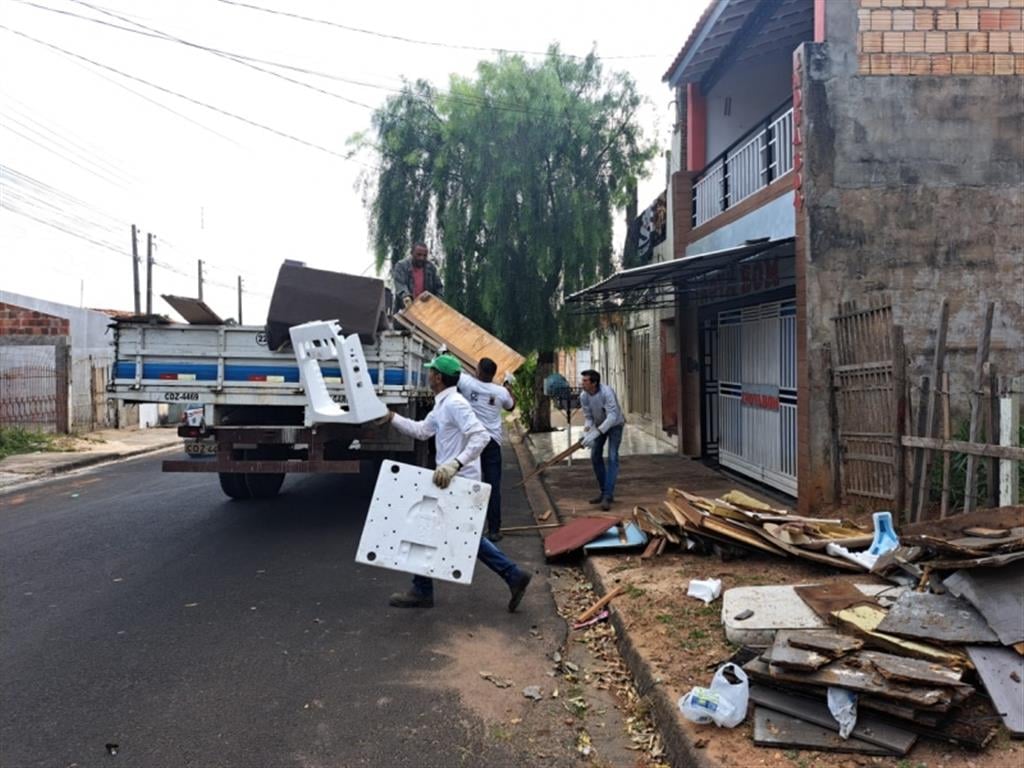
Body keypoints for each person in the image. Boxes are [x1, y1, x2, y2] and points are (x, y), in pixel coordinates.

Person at [380, 353, 531, 611]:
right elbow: (422, 431)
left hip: (457, 480)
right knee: (442, 531)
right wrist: (392, 418)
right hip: (449, 479)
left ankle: (424, 589)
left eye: (431, 372)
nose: (428, 375)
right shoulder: (443, 404)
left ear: (438, 377)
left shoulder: (455, 404)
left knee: (433, 529)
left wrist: (455, 464)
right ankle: (511, 575)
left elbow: (481, 436)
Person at [457, 357, 516, 542]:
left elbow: (451, 374)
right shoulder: (501, 392)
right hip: (492, 442)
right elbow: (511, 406)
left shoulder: (466, 383)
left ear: (478, 371)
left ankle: (463, 526)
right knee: (492, 485)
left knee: (466, 482)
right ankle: (494, 529)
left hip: (472, 440)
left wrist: (441, 354)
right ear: (493, 374)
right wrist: (508, 385)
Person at [579, 369, 625, 511]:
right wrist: (586, 432)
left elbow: (612, 416)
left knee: (612, 457)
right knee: (595, 457)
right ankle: (605, 492)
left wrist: (597, 432)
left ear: (594, 383)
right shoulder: (584, 396)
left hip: (615, 425)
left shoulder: (607, 392)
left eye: (585, 381)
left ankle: (607, 495)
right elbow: (588, 417)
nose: (583, 384)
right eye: (583, 380)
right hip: (599, 425)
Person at [392, 242, 444, 310]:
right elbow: (400, 284)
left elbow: (439, 288)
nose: (422, 258)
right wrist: (406, 297)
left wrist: (434, 300)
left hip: (426, 310)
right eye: (419, 254)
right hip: (405, 309)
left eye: (425, 255)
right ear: (412, 253)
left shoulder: (431, 268)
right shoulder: (401, 266)